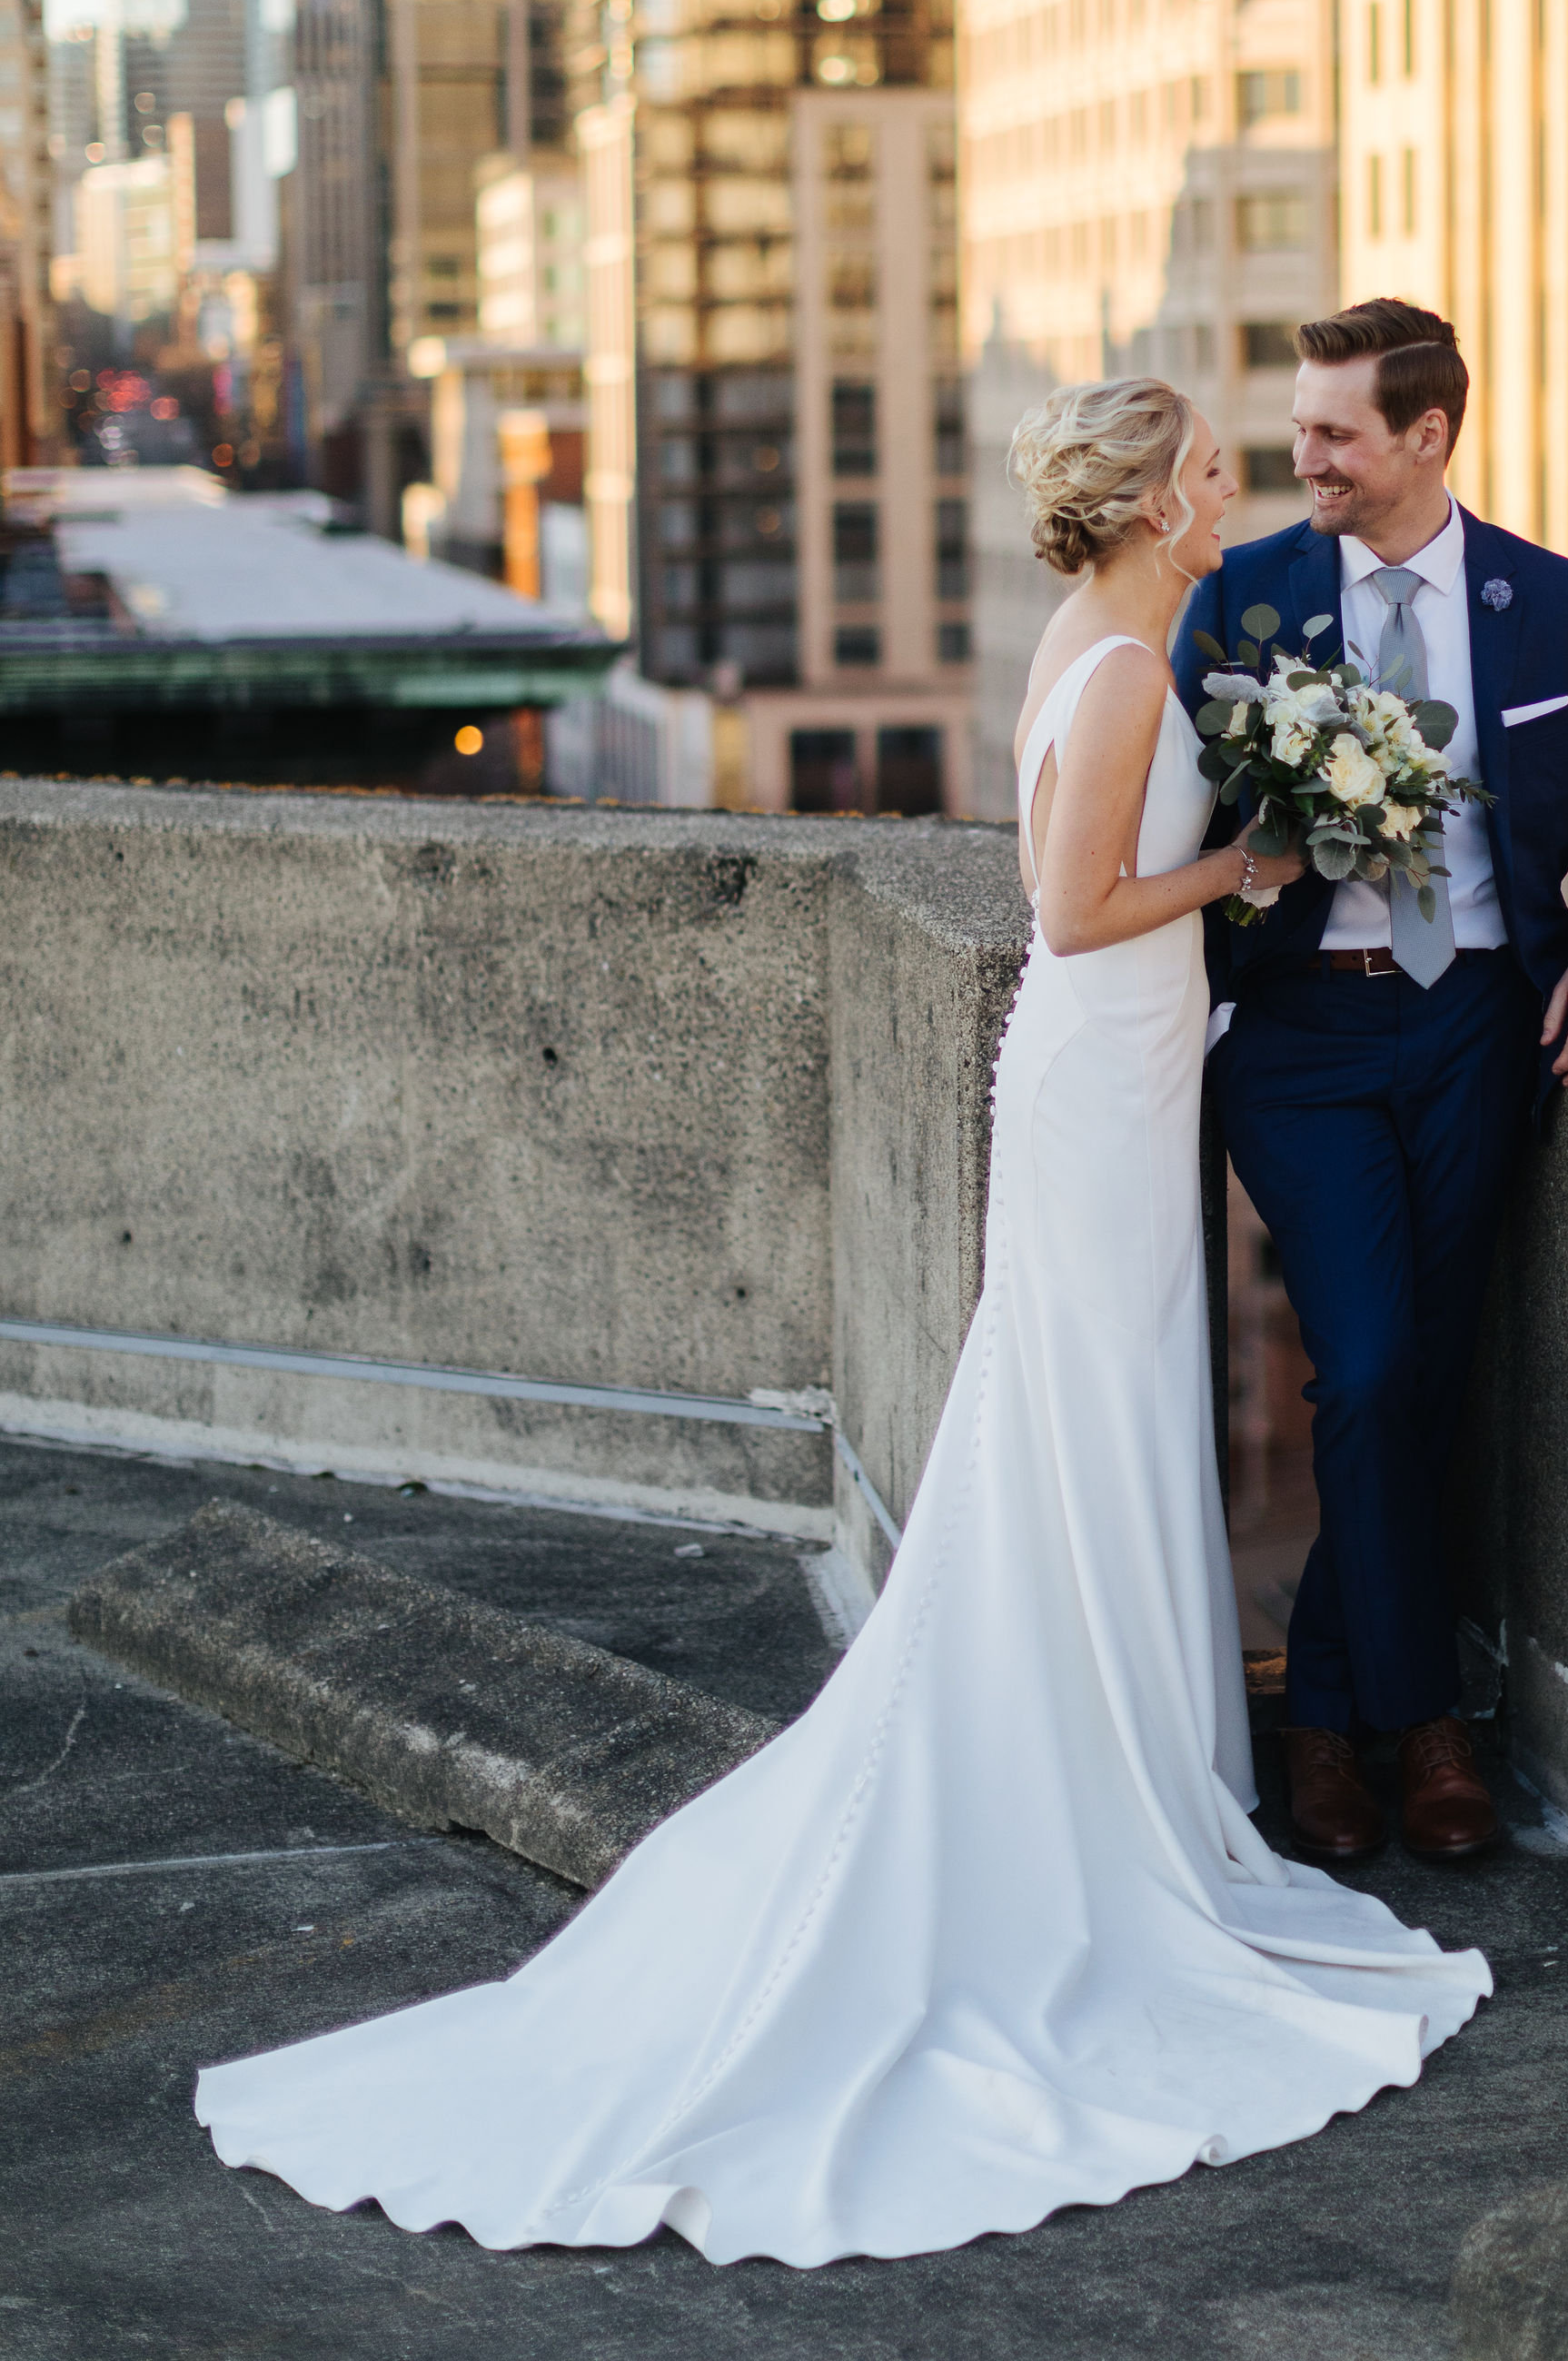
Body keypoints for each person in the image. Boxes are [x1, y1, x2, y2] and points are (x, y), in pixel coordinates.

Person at [194, 375, 1493, 2271]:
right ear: (1147, 504)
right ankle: (1097, 1800)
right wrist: (1258, 866)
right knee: (1079, 1406)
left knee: (1101, 1409)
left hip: (1124, 1078)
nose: (1233, 493)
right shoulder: (1130, 667)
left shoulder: (1119, 633)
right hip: (1096, 1064)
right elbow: (1074, 901)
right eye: (1209, 471)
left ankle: (1140, 1764)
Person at [1175, 301, 1568, 1871]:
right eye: (1299, 428)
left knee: (1423, 1383)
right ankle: (1423, 1724)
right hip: (1304, 1042)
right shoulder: (1243, 597)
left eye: (1334, 433)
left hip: (1479, 1033)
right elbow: (1153, 828)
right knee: (1374, 1369)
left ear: (1427, 436)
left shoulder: (1554, 601)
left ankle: (1330, 1715)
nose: (1299, 458)